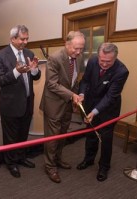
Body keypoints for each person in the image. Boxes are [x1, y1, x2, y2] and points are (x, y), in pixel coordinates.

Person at [77, 42, 129, 182]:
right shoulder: (93, 61)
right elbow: (85, 80)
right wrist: (81, 94)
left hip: (108, 109)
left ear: (115, 58)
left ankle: (104, 167)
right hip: (90, 103)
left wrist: (95, 111)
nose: (104, 64)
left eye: (108, 61)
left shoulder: (122, 71)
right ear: (98, 56)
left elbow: (110, 96)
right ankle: (88, 159)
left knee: (106, 139)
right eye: (102, 60)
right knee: (91, 134)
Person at [0, 25, 40, 178]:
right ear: (12, 38)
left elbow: (36, 76)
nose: (25, 42)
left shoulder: (29, 53)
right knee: (10, 137)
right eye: (22, 39)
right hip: (10, 104)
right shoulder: (1, 55)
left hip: (27, 101)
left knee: (23, 133)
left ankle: (21, 157)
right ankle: (11, 163)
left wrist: (34, 70)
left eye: (27, 38)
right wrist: (16, 72)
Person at [39, 31, 85, 183]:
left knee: (63, 134)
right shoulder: (54, 58)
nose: (78, 52)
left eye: (81, 48)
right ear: (67, 44)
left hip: (67, 104)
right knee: (52, 138)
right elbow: (51, 84)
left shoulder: (78, 58)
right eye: (76, 48)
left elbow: (74, 81)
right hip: (53, 104)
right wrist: (71, 95)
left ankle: (58, 159)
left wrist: (77, 95)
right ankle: (50, 167)